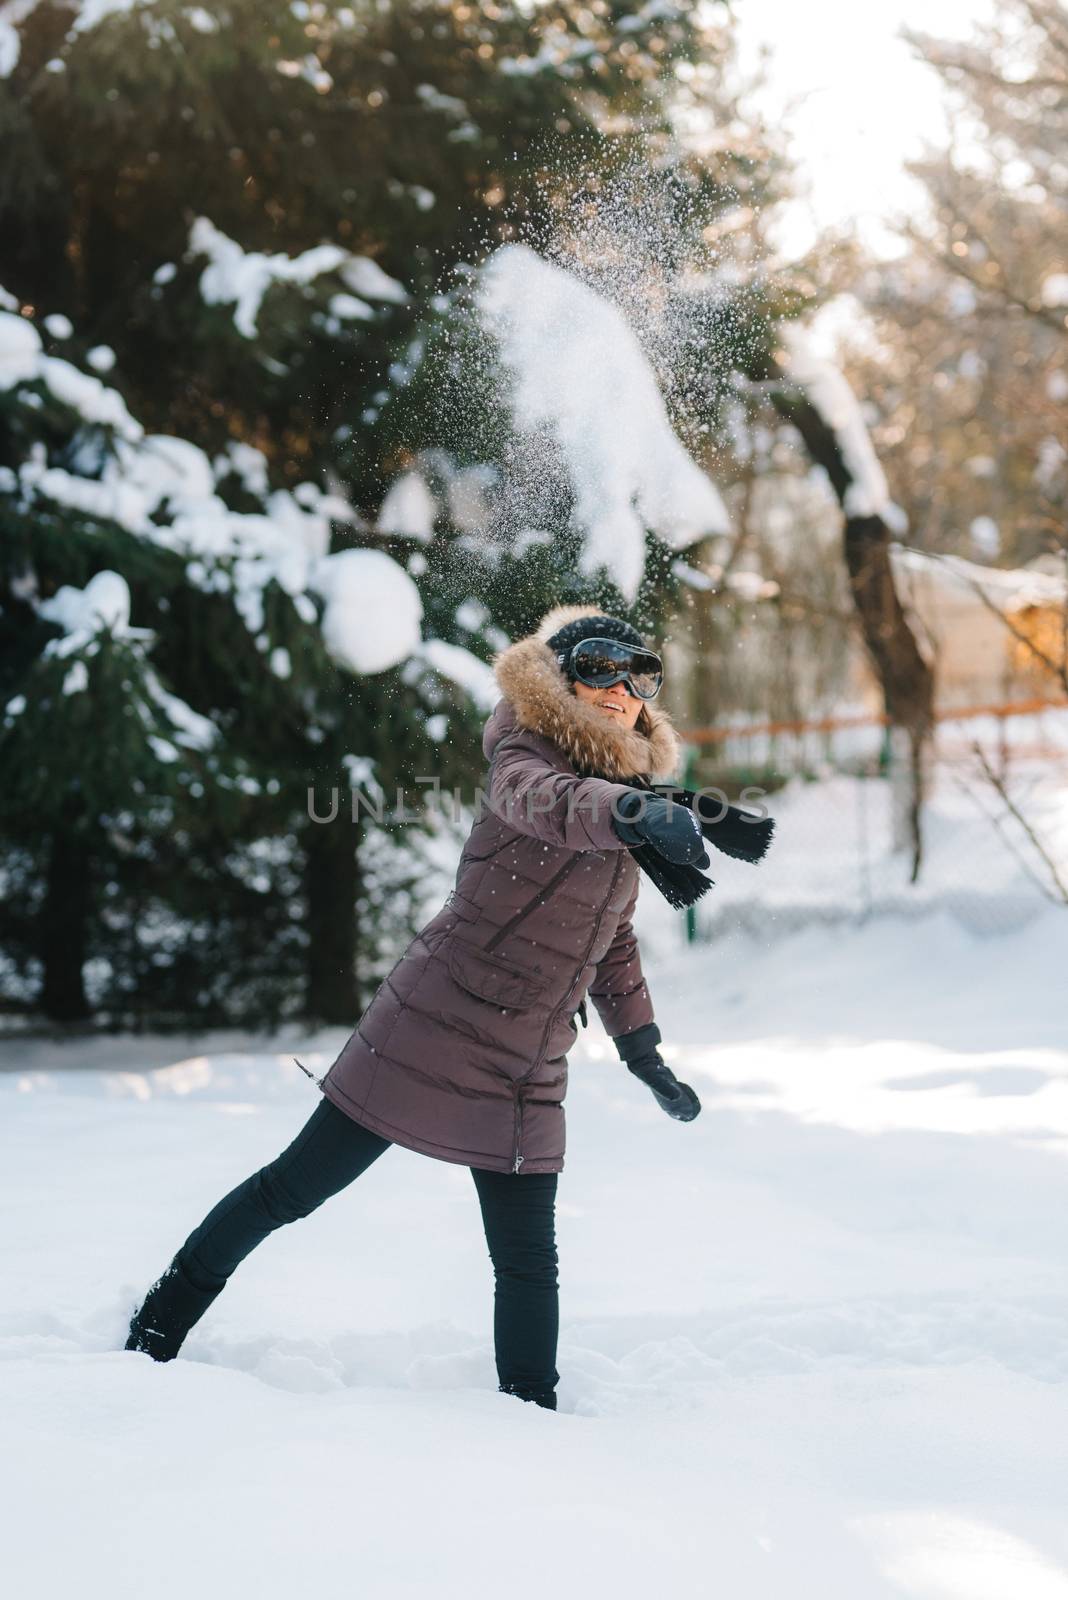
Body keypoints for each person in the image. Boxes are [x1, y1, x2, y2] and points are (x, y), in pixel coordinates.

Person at [124, 603, 710, 1412]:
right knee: (291, 1191)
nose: (621, 690)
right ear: (563, 681)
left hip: (530, 1057)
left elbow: (611, 942)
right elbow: (544, 801)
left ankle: (531, 1414)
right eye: (601, 670)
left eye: (639, 676)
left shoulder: (624, 796)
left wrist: (642, 1051)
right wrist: (632, 813)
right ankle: (155, 1327)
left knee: (528, 1259)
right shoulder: (526, 752)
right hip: (433, 1027)